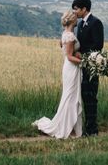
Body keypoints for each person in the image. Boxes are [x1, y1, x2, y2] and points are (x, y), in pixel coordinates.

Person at [32, 10, 83, 138]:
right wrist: (84, 62)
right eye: (76, 17)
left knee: (69, 96)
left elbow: (65, 49)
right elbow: (70, 56)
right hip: (72, 67)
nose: (77, 19)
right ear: (72, 20)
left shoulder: (65, 34)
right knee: (70, 97)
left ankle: (69, 126)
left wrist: (77, 54)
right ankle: (66, 127)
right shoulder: (70, 36)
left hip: (68, 68)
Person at [72, 0, 104, 137]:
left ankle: (92, 130)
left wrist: (82, 54)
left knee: (91, 97)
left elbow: (98, 45)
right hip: (81, 65)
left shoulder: (96, 23)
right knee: (85, 97)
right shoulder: (79, 24)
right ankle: (88, 128)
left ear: (84, 9)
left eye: (77, 9)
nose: (75, 12)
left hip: (91, 65)